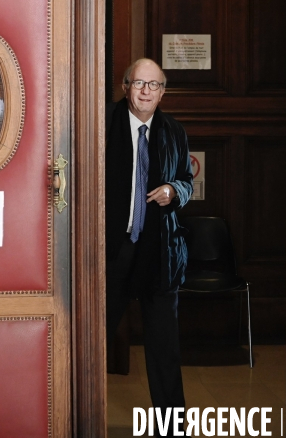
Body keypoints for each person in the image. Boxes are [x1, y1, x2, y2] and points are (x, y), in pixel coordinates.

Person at [106, 58, 193, 437]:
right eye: (139, 83)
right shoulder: (102, 122)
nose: (146, 91)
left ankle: (171, 429)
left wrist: (175, 191)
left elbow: (187, 182)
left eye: (154, 85)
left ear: (162, 92)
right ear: (125, 87)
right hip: (111, 250)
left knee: (163, 349)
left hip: (160, 253)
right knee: (93, 338)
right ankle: (73, 417)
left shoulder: (174, 131)